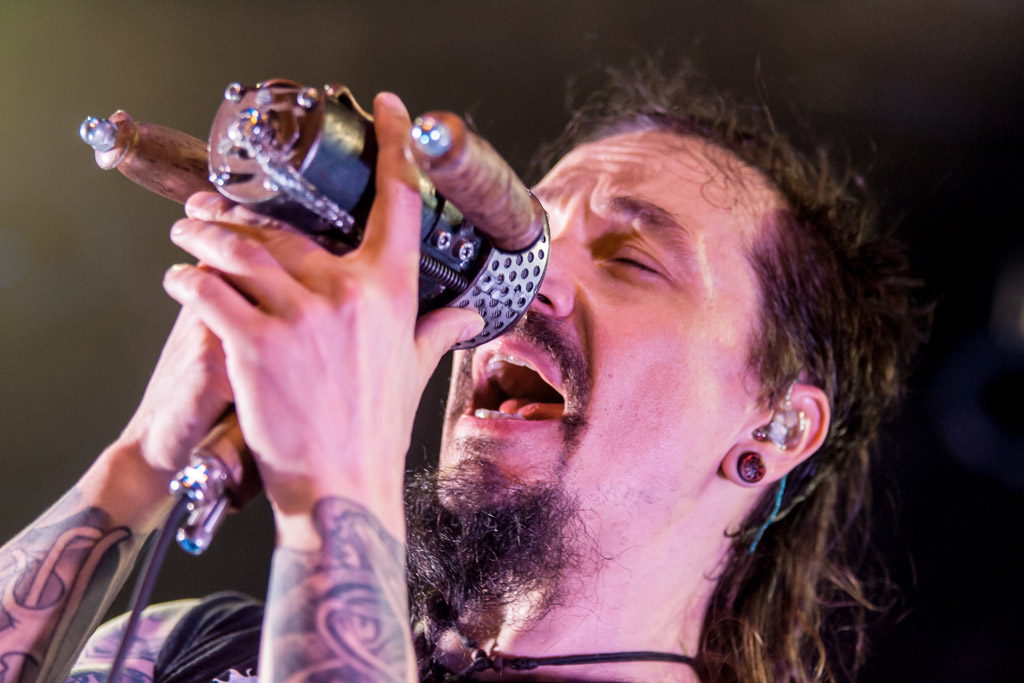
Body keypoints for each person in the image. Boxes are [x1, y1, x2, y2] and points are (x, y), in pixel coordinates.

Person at [0, 68, 925, 683]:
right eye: (521, 241)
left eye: (633, 260)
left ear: (776, 427)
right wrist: (141, 463)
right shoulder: (198, 644)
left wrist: (341, 478)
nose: (527, 284)